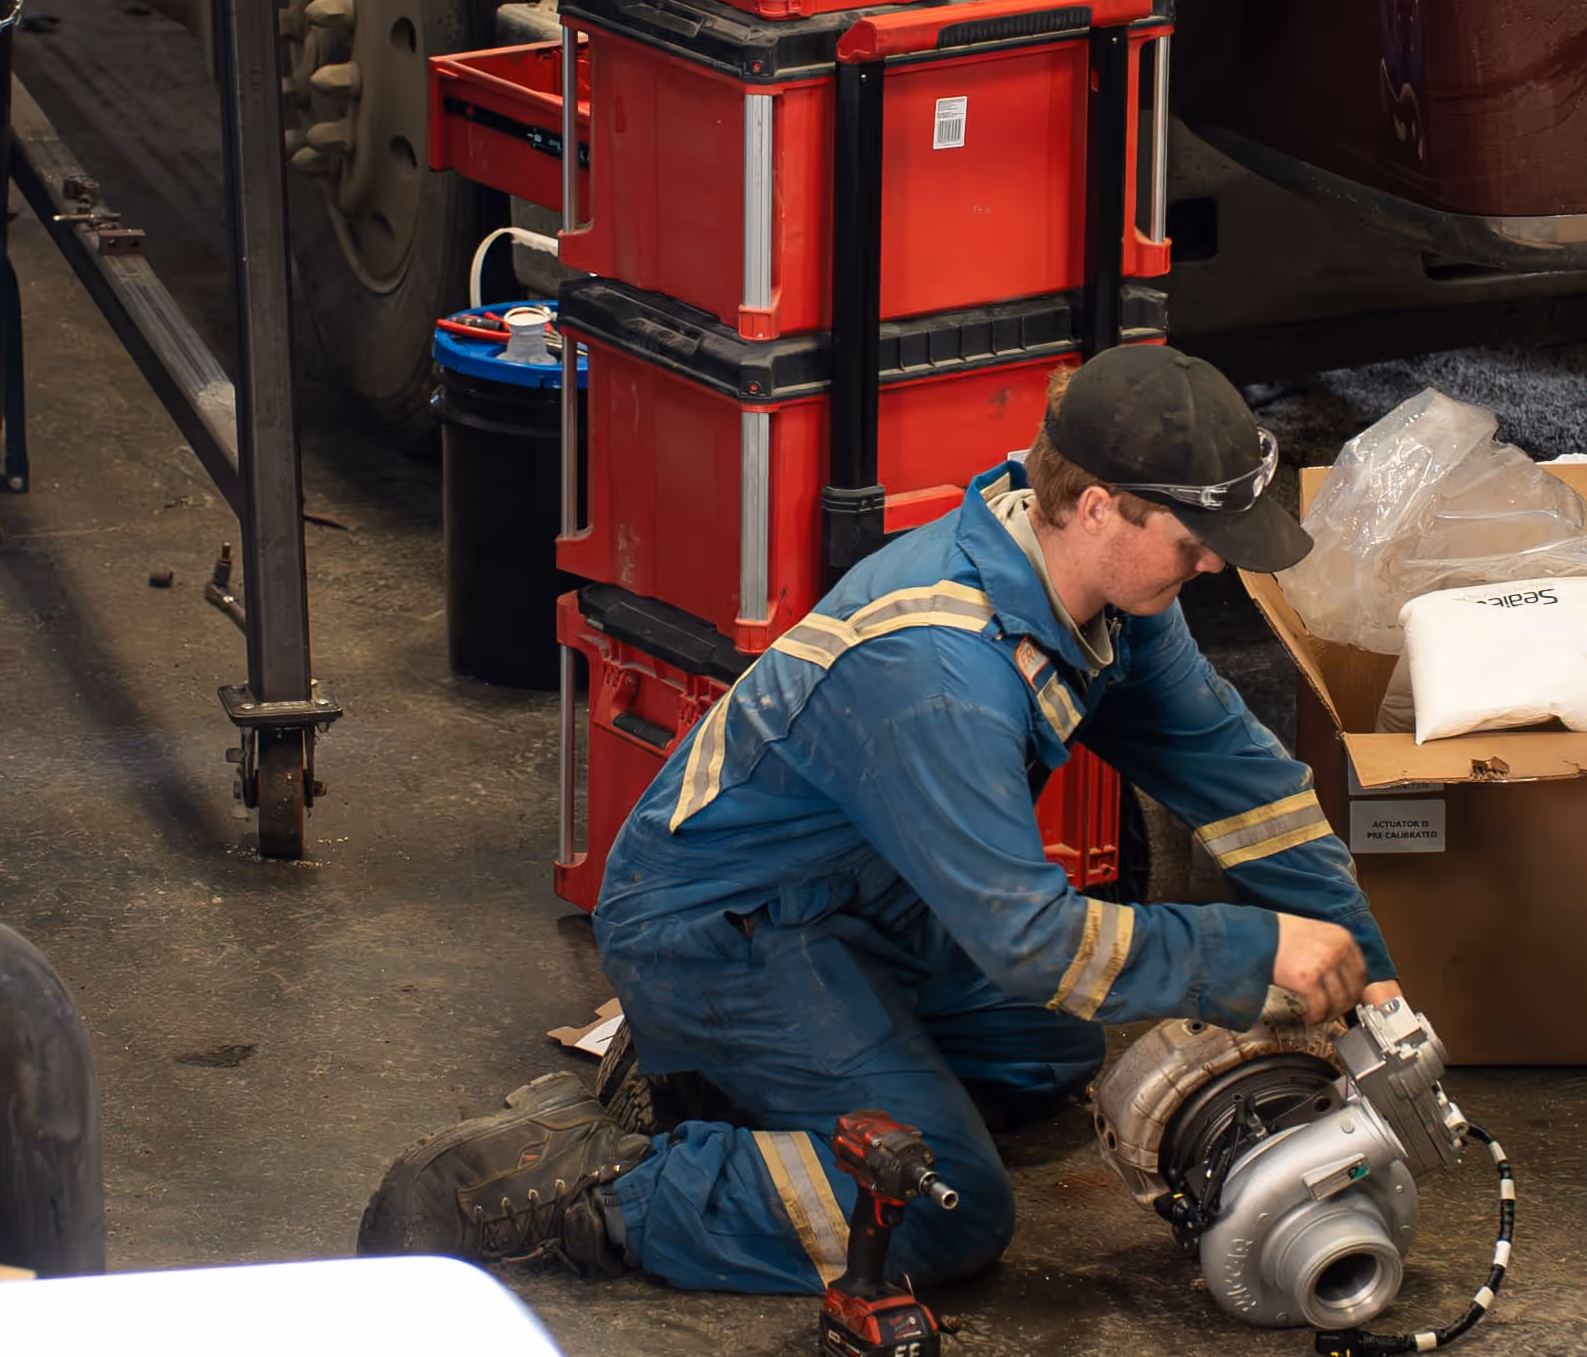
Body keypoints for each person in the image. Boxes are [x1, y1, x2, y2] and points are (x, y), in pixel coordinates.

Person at [357, 346, 1401, 1290]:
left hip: (858, 906)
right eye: (1194, 539)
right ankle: (597, 1187)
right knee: (947, 1209)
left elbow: (1239, 780)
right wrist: (1258, 947)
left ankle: (750, 1088)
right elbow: (1029, 939)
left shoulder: (1103, 601)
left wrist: (1368, 967)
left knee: (1052, 1050)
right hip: (724, 936)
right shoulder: (937, 666)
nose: (1214, 564)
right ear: (1098, 508)